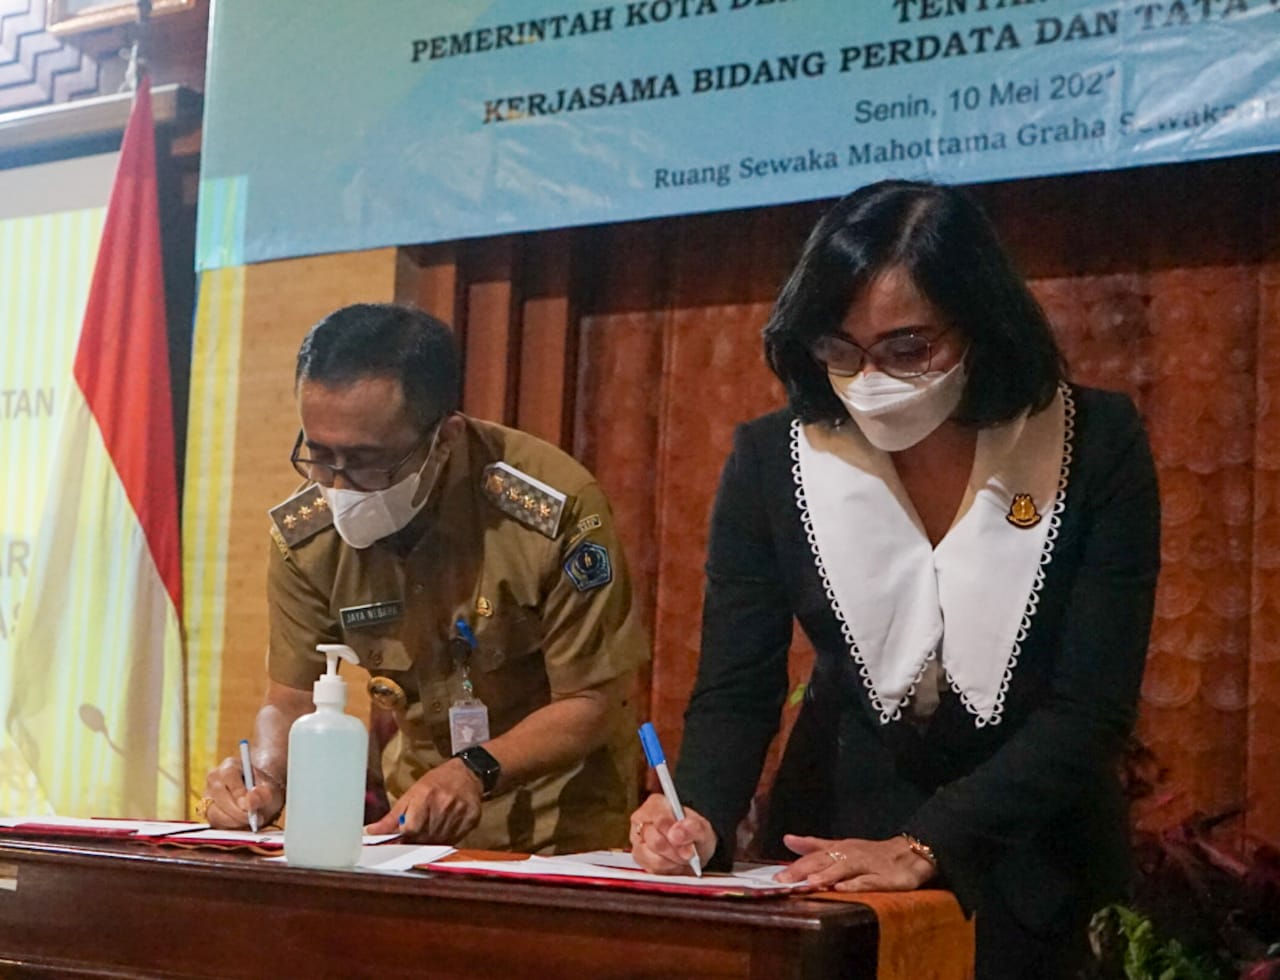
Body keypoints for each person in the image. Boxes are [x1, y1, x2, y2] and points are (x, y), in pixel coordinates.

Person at [628, 180, 1160, 978]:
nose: (868, 378)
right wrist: (697, 811)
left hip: (1035, 857)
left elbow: (1090, 708)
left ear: (980, 322)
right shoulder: (774, 461)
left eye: (908, 349)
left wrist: (926, 844)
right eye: (839, 350)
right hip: (831, 854)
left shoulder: (1095, 445)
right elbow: (737, 687)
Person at [201, 303, 648, 853]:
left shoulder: (553, 510)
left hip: (561, 833)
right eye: (320, 455)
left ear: (446, 439)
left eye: (368, 461)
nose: (339, 485)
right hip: (416, 829)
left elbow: (594, 700)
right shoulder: (307, 539)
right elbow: (292, 696)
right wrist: (264, 776)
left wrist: (474, 769)